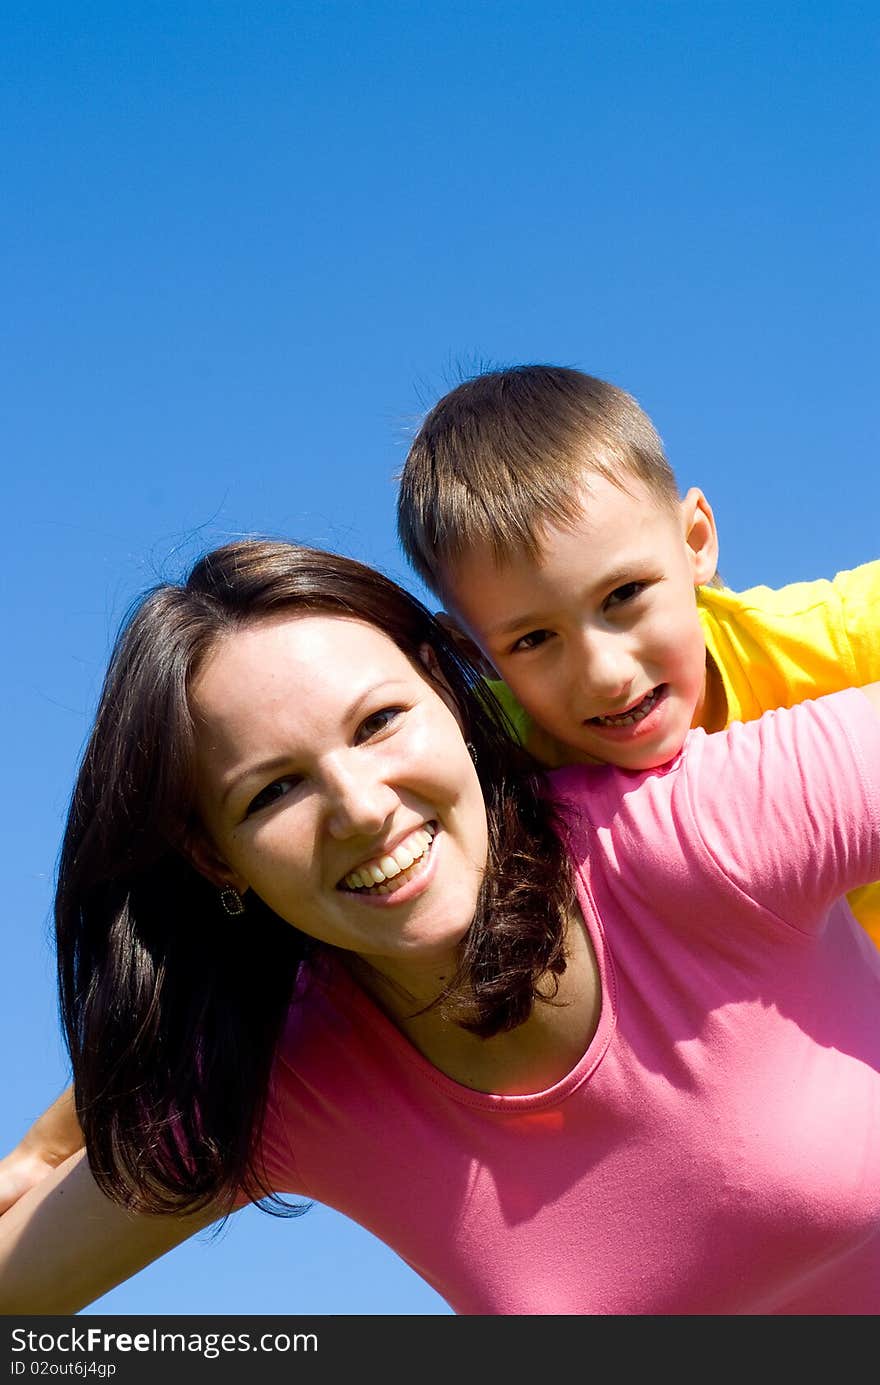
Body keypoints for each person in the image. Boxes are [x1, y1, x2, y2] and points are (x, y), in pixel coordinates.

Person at [2, 537, 880, 1316]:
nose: (359, 807)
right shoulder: (291, 1083)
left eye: (379, 723)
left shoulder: (699, 831)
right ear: (216, 857)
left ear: (456, 698)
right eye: (273, 790)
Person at [396, 363, 880, 946]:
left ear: (695, 542)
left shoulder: (836, 639)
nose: (606, 674)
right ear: (472, 653)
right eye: (533, 640)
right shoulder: (485, 757)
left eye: (623, 595)